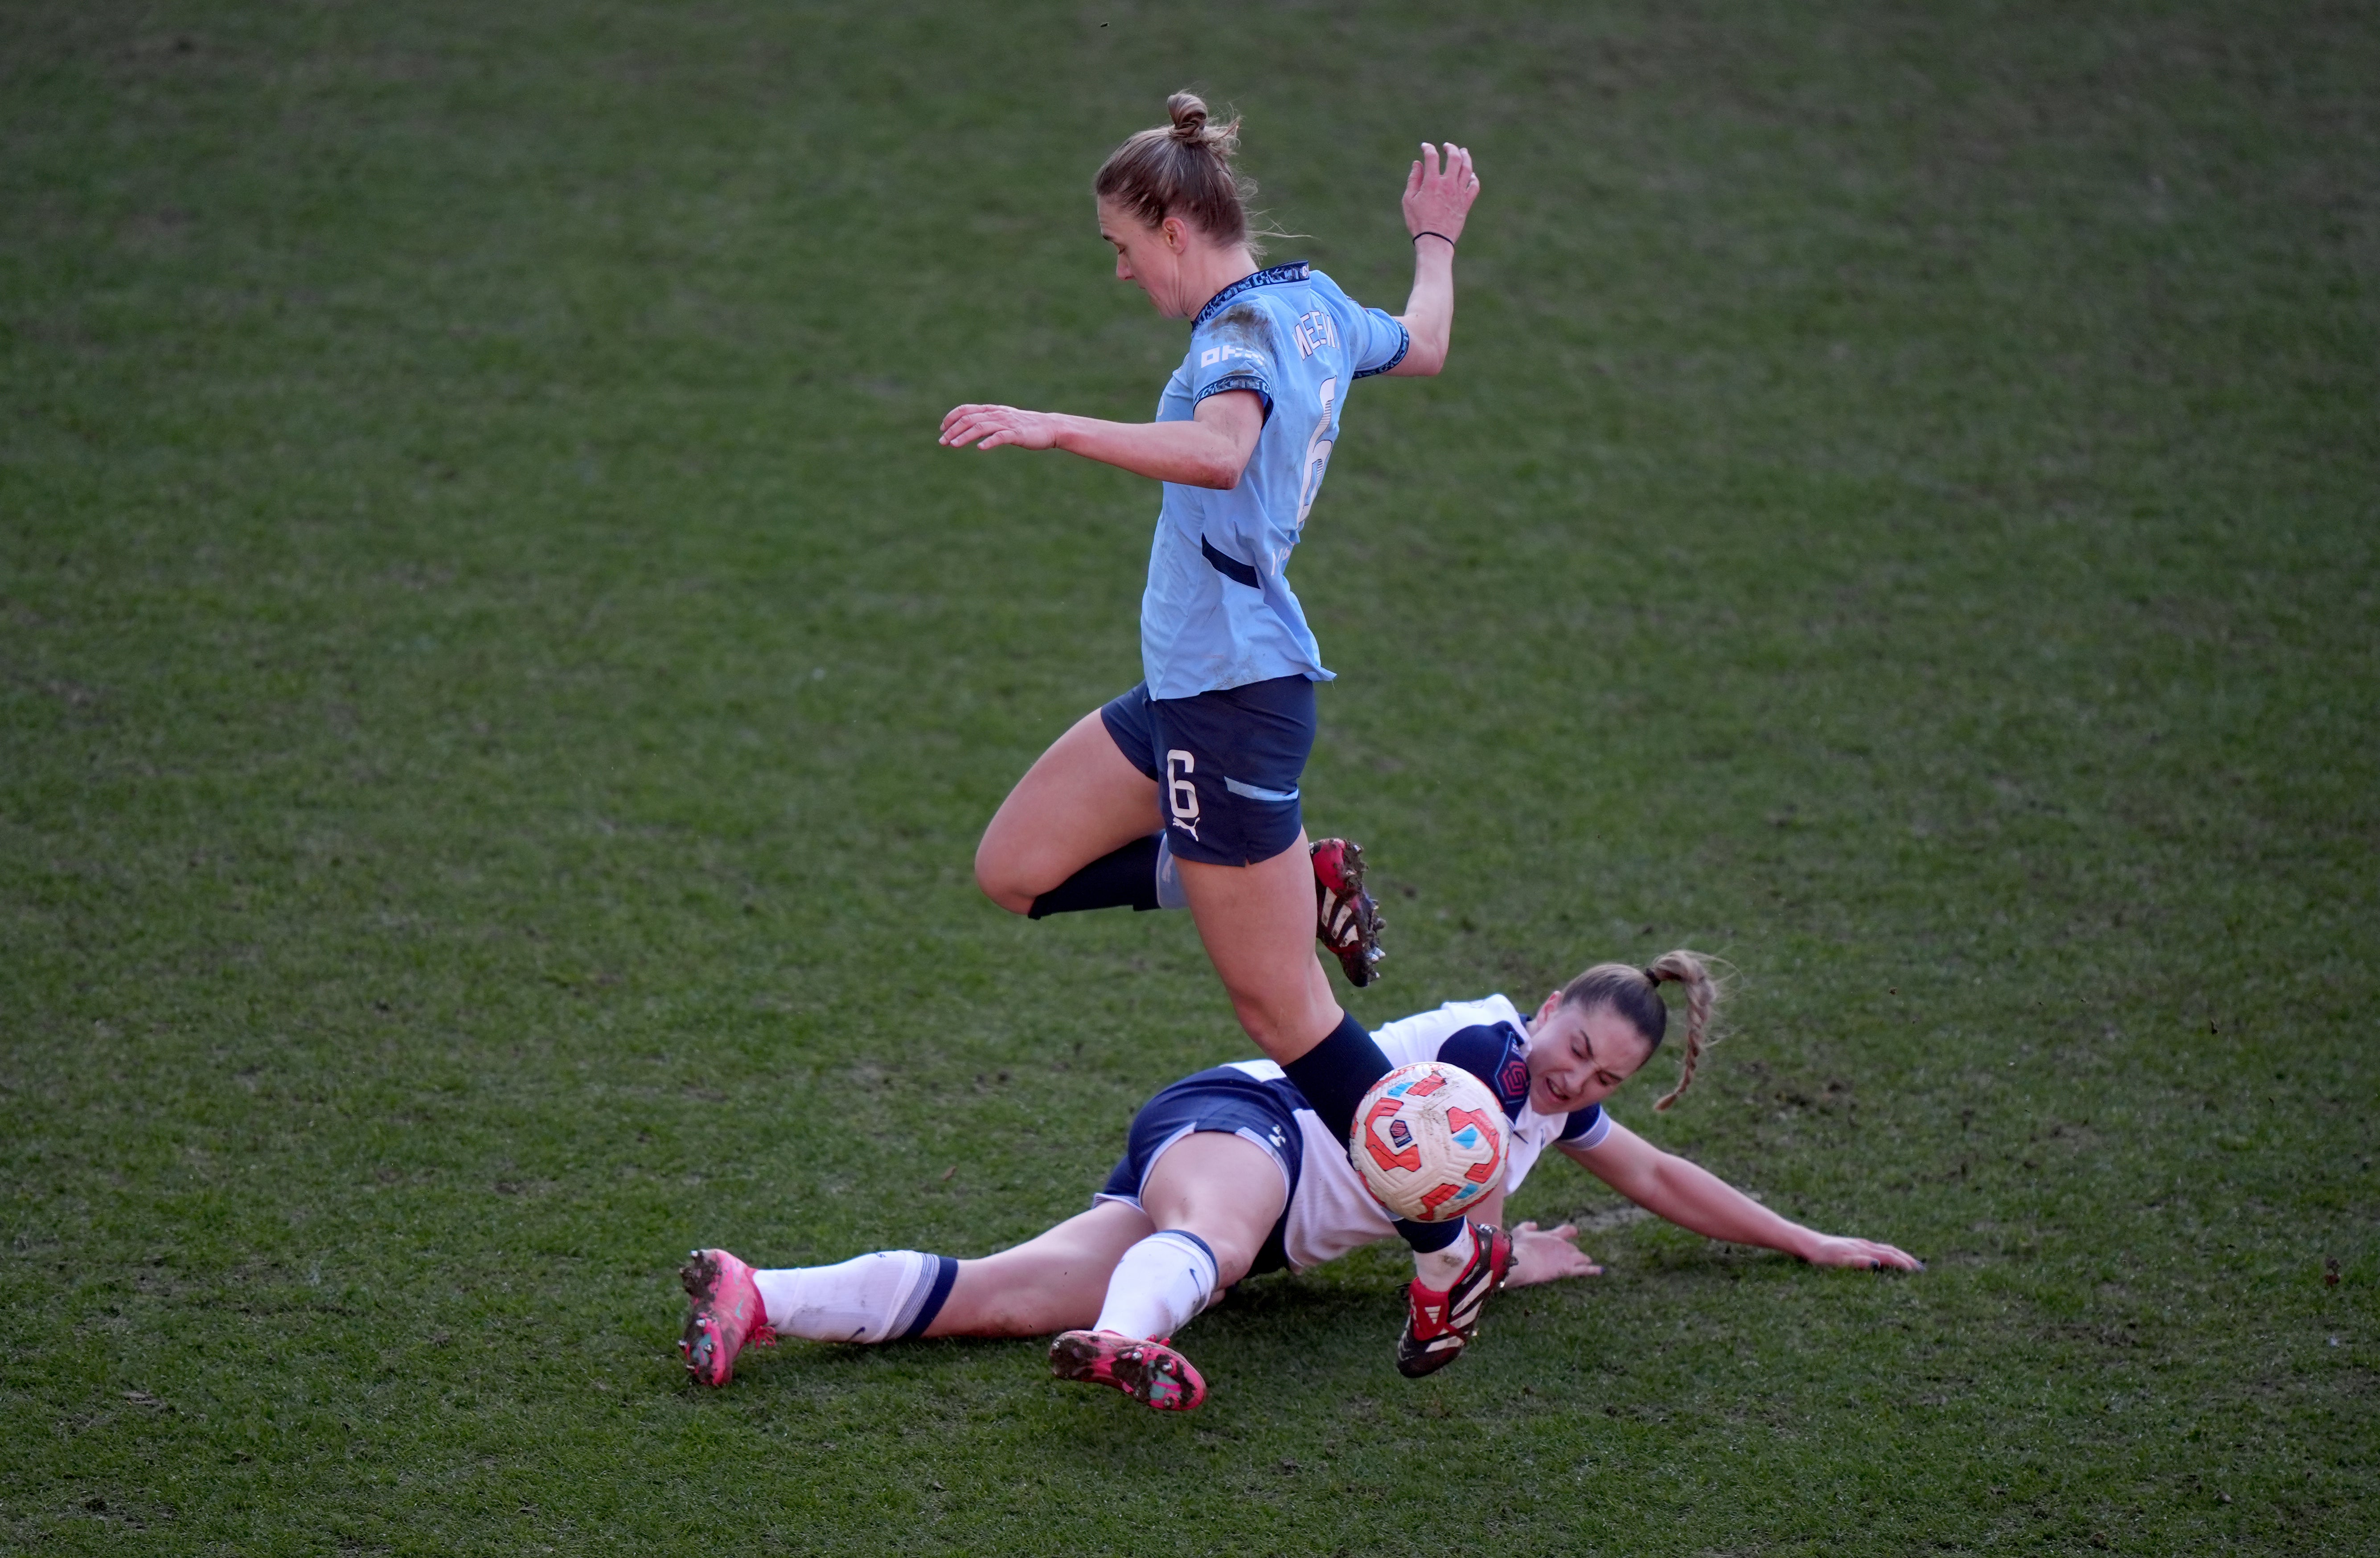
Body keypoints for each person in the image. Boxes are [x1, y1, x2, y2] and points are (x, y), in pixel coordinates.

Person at [938, 90, 1493, 1364]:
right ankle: (1291, 878)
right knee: (1017, 872)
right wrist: (1436, 242)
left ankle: (1450, 1243)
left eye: (1121, 246)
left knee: (1282, 1011)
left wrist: (1051, 425)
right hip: (1188, 690)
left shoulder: (1238, 333)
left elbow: (1219, 453)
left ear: (1178, 223)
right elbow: (1421, 345)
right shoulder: (1312, 304)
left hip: (1233, 704)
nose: (1120, 269)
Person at [679, 950, 1923, 1408]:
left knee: (1007, 1295)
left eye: (1599, 1084)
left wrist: (1808, 1243)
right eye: (1575, 1053)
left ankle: (757, 1295)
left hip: (1248, 1189)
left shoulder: (1548, 1109)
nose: (1573, 1088)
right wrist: (1495, 1256)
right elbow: (1465, 1193)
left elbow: (1663, 1178)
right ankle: (1125, 1344)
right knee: (1207, 1254)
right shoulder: (1491, 1049)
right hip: (1251, 1124)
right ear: (1546, 1010)